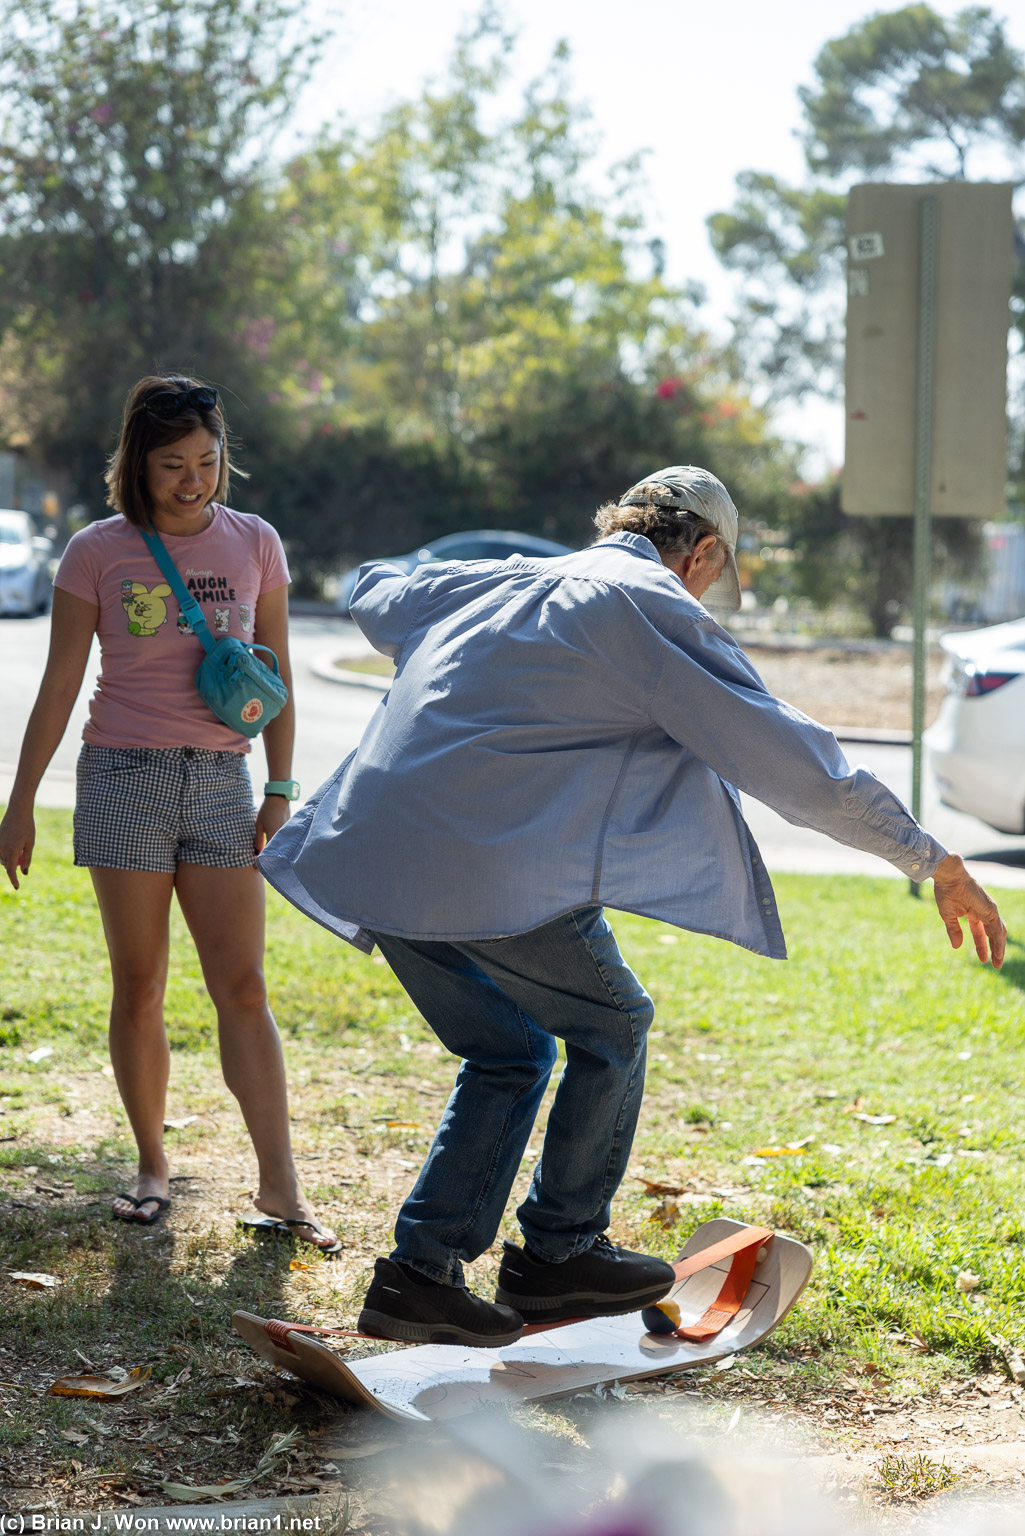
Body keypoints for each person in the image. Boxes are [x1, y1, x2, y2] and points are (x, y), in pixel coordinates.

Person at [259, 464, 1006, 1343]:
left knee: (506, 1051)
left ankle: (417, 1279)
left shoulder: (509, 575)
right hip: (488, 862)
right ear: (704, 553)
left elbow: (376, 589)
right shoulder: (645, 604)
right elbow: (795, 763)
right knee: (613, 1026)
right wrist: (930, 858)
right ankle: (557, 1255)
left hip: (373, 847)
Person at [0, 375, 339, 1251]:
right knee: (140, 985)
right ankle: (153, 1168)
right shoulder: (95, 551)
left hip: (223, 784)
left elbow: (277, 678)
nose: (192, 481)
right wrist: (21, 801)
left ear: (225, 458)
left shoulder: (256, 542)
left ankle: (281, 1187)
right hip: (122, 778)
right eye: (171, 465)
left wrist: (279, 788)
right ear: (137, 467)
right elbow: (61, 684)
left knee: (245, 988)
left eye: (206, 462)